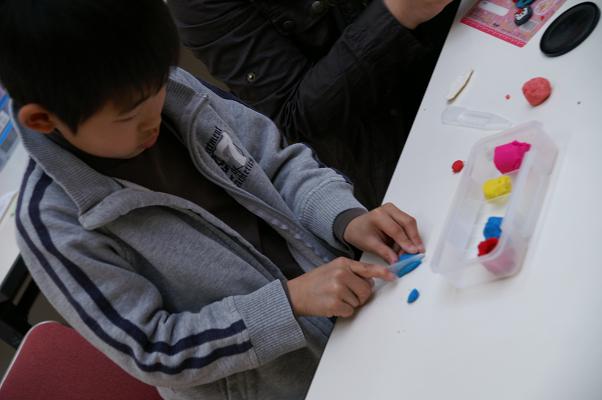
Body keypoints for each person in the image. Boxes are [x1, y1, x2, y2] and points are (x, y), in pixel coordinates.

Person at [0, 1, 425, 399]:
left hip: (359, 312)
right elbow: (155, 349)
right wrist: (289, 303)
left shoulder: (173, 92)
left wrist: (343, 217)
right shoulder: (56, 225)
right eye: (130, 116)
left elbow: (276, 163)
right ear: (42, 119)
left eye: (159, 86)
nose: (154, 120)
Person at [167, 0, 459, 209]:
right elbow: (295, 116)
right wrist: (398, 13)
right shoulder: (199, 6)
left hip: (470, 44)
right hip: (405, 151)